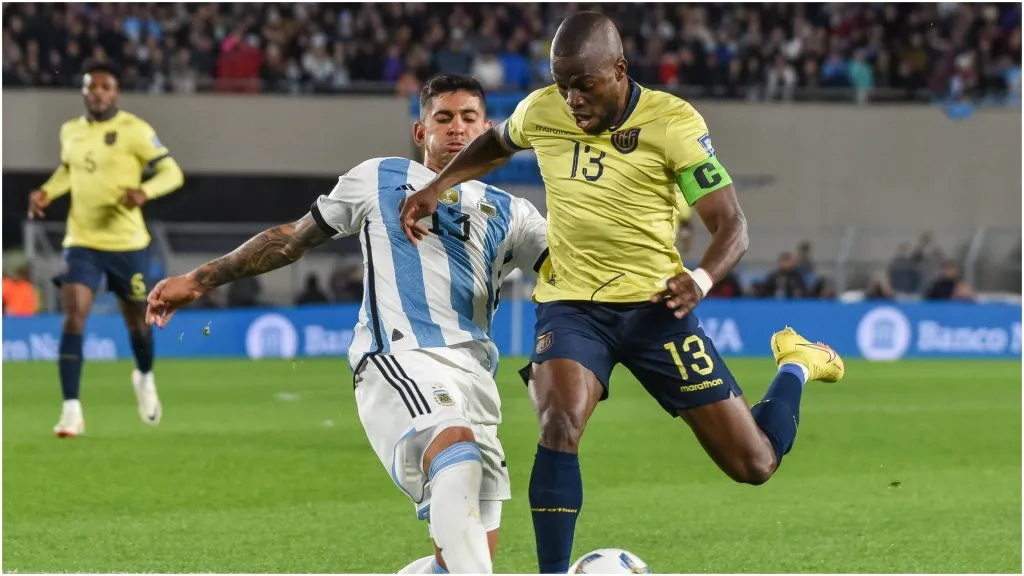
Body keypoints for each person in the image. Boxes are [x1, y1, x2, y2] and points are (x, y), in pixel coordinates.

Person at [399, 12, 846, 574]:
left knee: (753, 463)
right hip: (571, 305)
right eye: (563, 86)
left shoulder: (673, 123)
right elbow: (493, 143)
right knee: (559, 421)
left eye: (584, 86)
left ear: (619, 70)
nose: (573, 100)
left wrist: (701, 278)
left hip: (658, 310)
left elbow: (731, 225)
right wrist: (438, 186)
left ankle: (798, 364)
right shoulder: (544, 109)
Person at [144, 74, 548, 575]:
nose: (457, 129)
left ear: (488, 129)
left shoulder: (514, 213)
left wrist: (671, 279)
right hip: (402, 359)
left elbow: (579, 273)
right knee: (456, 457)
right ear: (420, 132)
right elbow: (291, 239)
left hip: (476, 380)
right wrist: (202, 279)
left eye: (469, 118)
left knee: (463, 557)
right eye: (443, 118)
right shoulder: (379, 177)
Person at [28, 60, 185, 438]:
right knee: (73, 317)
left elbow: (172, 173)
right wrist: (47, 191)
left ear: (115, 93)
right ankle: (71, 411)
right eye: (91, 86)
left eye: (105, 87)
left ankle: (144, 377)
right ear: (83, 92)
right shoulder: (71, 131)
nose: (97, 92)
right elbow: (69, 169)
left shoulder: (135, 130)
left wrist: (144, 192)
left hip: (127, 244)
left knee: (137, 323)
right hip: (81, 241)